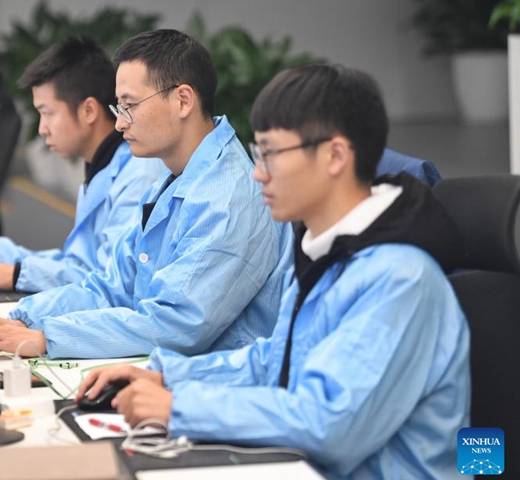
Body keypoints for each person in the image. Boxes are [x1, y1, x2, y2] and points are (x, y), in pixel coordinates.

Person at [76, 65, 470, 480]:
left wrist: (181, 409)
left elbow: (329, 425)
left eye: (271, 154)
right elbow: (277, 361)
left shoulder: (400, 278)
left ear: (335, 155)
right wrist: (165, 374)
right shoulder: (329, 253)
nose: (258, 172)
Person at [0, 30, 292, 359]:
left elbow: (174, 325)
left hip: (209, 383)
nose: (119, 125)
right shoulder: (174, 176)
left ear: (183, 100)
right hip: (163, 364)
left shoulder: (226, 198)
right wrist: (19, 318)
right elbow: (113, 285)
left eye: (129, 106)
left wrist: (48, 336)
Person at [0, 36, 165, 293]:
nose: (42, 128)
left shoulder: (139, 175)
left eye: (47, 113)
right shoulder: (104, 164)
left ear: (89, 111)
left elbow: (110, 280)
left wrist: (16, 274)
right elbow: (77, 262)